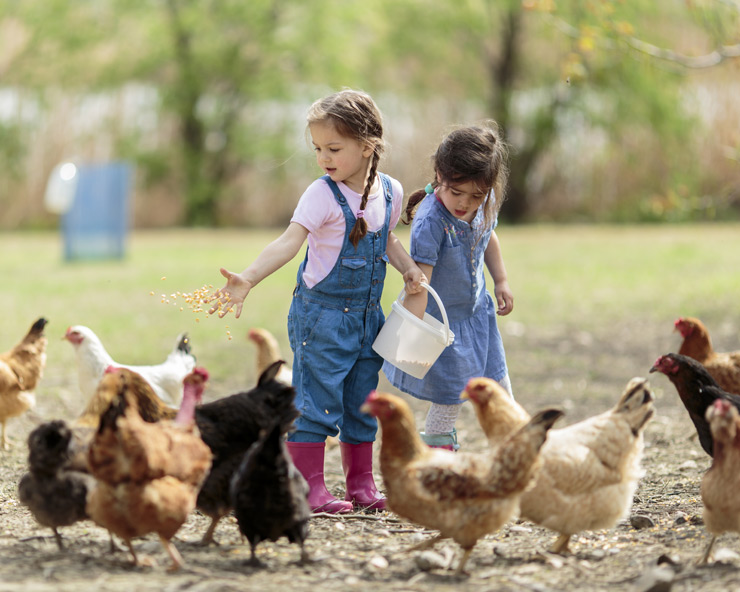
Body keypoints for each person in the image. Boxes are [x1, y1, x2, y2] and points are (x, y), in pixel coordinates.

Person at [208, 89, 425, 513]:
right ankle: (309, 488)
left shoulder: (391, 190)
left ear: (367, 147)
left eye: (334, 148)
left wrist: (409, 268)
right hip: (321, 317)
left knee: (362, 401)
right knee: (316, 401)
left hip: (368, 318)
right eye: (317, 149)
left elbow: (387, 240)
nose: (324, 157)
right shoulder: (321, 194)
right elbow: (289, 243)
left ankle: (361, 484)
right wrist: (248, 277)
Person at [383, 123, 514, 451]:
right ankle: (438, 458)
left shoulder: (484, 202)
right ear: (440, 174)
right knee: (449, 399)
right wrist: (409, 333)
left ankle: (514, 449)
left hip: (478, 316)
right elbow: (420, 283)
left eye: (476, 195)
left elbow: (488, 237)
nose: (465, 203)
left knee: (499, 387)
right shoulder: (431, 222)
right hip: (445, 327)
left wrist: (501, 280)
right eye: (457, 193)